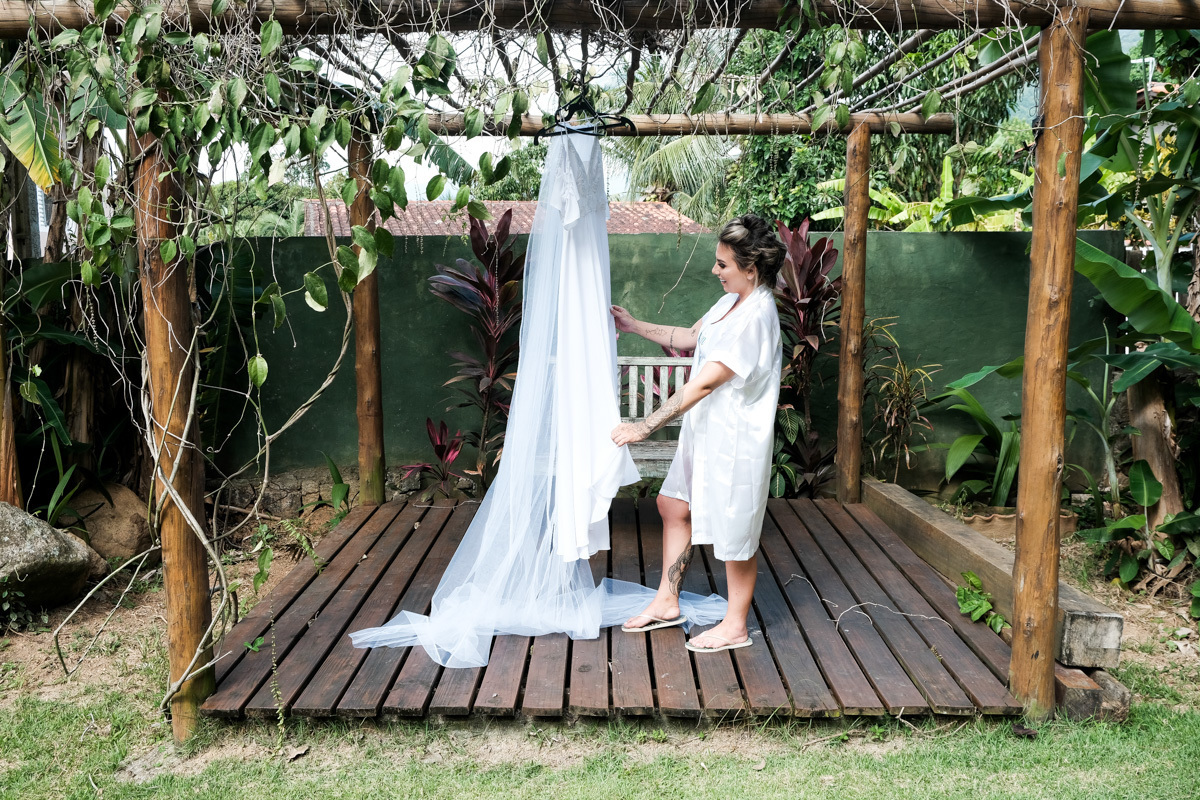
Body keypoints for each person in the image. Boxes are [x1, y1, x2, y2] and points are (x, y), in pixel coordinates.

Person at [610, 214, 784, 653]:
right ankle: (668, 602)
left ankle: (735, 626)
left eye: (722, 264)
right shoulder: (730, 303)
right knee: (673, 504)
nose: (714, 270)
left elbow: (704, 381)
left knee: (734, 534)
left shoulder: (757, 316)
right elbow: (689, 337)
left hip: (734, 442)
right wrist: (634, 325)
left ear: (751, 268)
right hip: (704, 434)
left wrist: (643, 426)